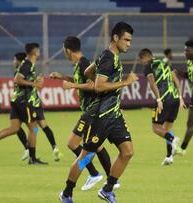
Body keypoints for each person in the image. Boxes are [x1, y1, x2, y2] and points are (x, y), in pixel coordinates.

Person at [59, 22, 138, 203]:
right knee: (84, 157)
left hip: (114, 114)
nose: (129, 44)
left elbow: (87, 71)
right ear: (116, 38)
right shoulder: (109, 57)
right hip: (100, 115)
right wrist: (125, 83)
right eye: (126, 40)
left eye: (130, 40)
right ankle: (67, 193)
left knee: (127, 151)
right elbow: (99, 86)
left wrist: (96, 74)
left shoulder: (107, 56)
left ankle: (107, 189)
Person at [50, 36, 113, 191]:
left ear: (68, 50)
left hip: (92, 110)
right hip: (90, 110)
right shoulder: (79, 64)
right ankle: (111, 179)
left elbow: (93, 85)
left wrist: (72, 85)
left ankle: (95, 174)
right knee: (96, 145)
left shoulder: (84, 63)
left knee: (73, 143)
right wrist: (63, 78)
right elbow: (82, 81)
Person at [0, 43, 48, 165]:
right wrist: (34, 84)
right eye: (38, 51)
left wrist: (35, 81)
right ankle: (32, 159)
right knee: (33, 128)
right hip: (23, 102)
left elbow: (21, 80)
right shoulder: (27, 64)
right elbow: (17, 79)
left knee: (14, 129)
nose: (39, 54)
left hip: (17, 100)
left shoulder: (26, 65)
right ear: (35, 52)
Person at [139, 48, 185, 165]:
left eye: (141, 60)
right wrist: (180, 97)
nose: (142, 63)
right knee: (167, 128)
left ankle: (173, 140)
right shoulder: (164, 63)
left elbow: (152, 82)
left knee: (156, 128)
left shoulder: (148, 66)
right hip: (174, 98)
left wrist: (158, 99)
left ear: (144, 57)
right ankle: (169, 156)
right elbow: (176, 80)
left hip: (164, 99)